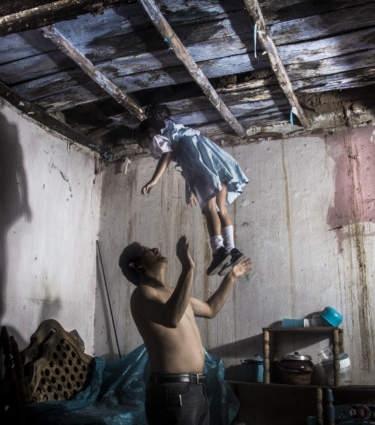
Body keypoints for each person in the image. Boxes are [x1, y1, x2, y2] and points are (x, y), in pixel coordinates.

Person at [119, 236, 252, 425]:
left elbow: (210, 309)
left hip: (195, 388)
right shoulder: (142, 294)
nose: (156, 249)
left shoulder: (175, 294)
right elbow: (171, 319)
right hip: (172, 391)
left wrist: (231, 277)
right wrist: (188, 268)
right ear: (136, 265)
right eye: (147, 250)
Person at [138, 105, 249, 276]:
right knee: (221, 209)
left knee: (209, 209)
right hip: (214, 160)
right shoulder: (178, 130)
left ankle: (218, 251)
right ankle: (232, 249)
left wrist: (154, 180)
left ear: (149, 133)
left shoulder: (159, 136)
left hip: (198, 164)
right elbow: (195, 158)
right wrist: (191, 188)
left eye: (145, 144)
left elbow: (169, 156)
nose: (148, 147)